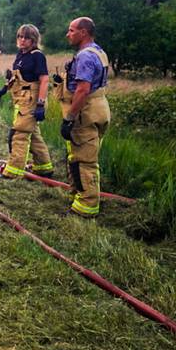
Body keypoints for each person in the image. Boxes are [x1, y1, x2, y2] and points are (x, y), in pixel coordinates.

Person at [57, 17, 111, 217]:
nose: (68, 34)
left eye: (71, 30)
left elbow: (82, 89)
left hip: (85, 112)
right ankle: (80, 195)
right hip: (100, 108)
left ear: (84, 32)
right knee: (83, 156)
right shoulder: (99, 51)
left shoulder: (85, 56)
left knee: (84, 159)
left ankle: (86, 206)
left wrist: (69, 117)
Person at [0, 24, 53, 178]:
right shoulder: (21, 55)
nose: (22, 40)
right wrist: (3, 90)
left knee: (19, 134)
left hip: (31, 100)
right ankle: (44, 167)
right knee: (33, 134)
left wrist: (40, 104)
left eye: (26, 37)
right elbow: (16, 77)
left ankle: (13, 172)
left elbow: (44, 80)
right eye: (20, 36)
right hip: (21, 99)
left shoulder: (37, 56)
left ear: (33, 39)